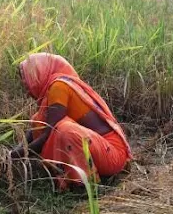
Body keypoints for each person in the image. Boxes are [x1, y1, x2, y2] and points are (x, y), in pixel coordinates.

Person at [10, 53, 132, 190]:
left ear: (39, 73)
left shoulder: (59, 87)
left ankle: (87, 184)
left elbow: (47, 134)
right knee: (38, 120)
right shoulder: (51, 92)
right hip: (99, 149)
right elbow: (34, 132)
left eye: (27, 80)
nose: (26, 89)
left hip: (112, 154)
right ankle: (74, 175)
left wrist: (15, 156)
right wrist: (9, 154)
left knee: (64, 129)